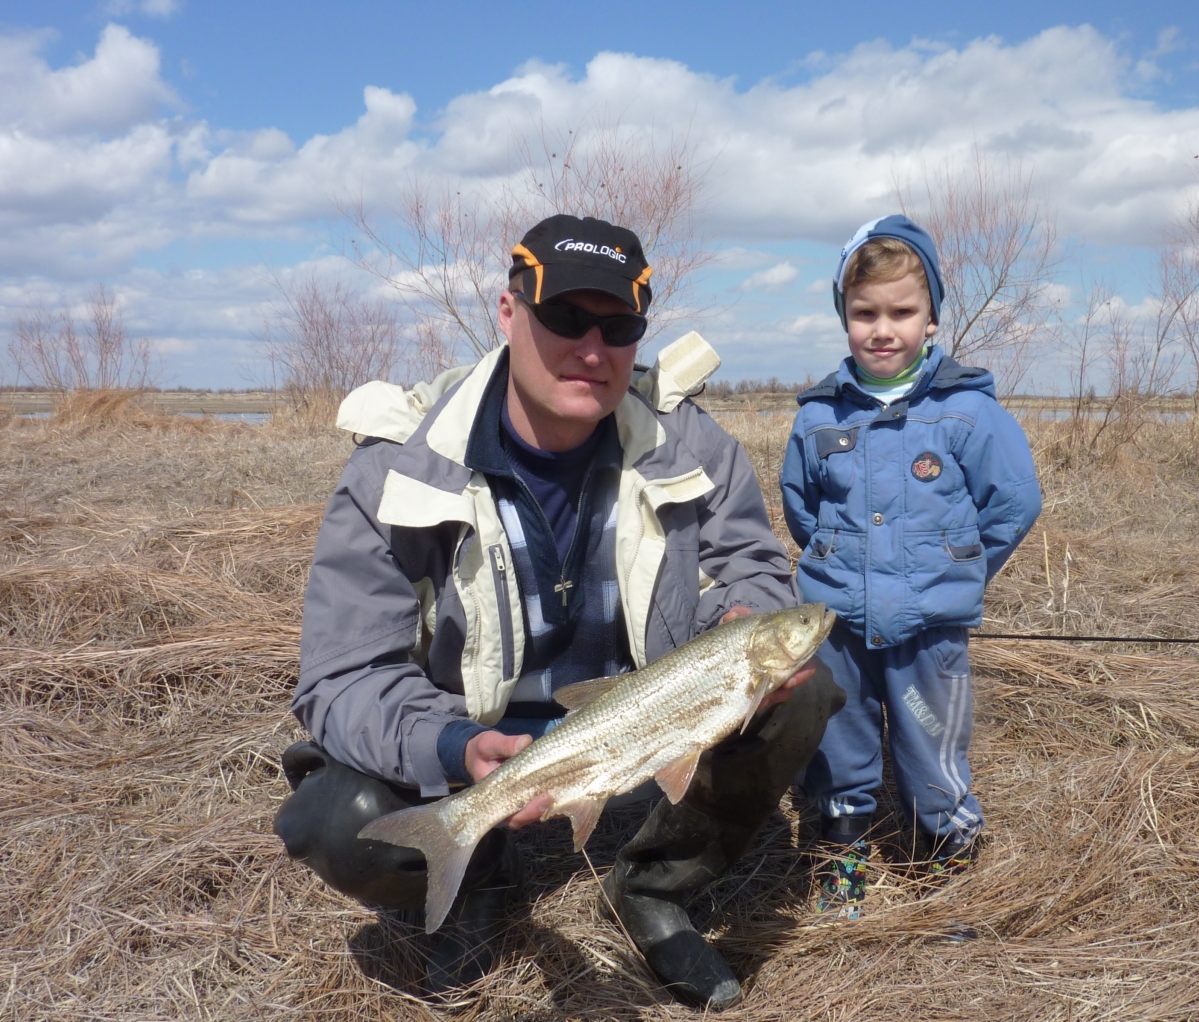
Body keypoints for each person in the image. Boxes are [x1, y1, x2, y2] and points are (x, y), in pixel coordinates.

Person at [273, 214, 844, 1010]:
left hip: (635, 724)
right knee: (340, 819)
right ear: (509, 314)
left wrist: (752, 613)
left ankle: (652, 885)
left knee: (807, 686)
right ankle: (473, 875)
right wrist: (453, 746)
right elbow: (342, 677)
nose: (593, 349)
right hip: (473, 740)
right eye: (566, 318)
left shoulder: (690, 442)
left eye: (619, 328)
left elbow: (753, 564)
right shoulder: (398, 467)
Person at [781, 215, 1042, 920]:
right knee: (838, 742)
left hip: (929, 629)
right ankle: (843, 858)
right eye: (865, 313)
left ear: (931, 319)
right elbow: (803, 510)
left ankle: (947, 860)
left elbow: (1014, 503)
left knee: (932, 745)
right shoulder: (817, 418)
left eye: (901, 312)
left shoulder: (966, 410)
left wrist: (958, 569)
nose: (882, 329)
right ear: (844, 317)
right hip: (838, 624)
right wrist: (842, 569)